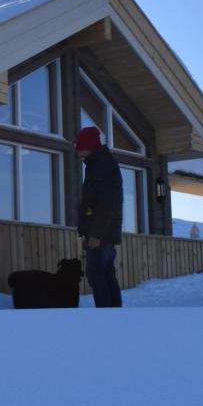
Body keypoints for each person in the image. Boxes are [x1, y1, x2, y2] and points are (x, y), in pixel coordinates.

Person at [75, 125, 123, 307]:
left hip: (102, 233)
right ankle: (113, 314)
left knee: (96, 272)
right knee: (105, 272)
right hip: (102, 232)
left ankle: (106, 314)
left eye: (80, 148)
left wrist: (96, 233)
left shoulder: (102, 165)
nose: (79, 153)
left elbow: (106, 203)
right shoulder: (99, 164)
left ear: (89, 146)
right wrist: (86, 232)